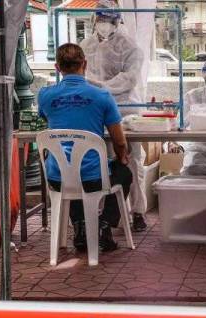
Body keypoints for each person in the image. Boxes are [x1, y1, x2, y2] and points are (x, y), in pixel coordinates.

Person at [38, 43, 133, 252]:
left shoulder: (45, 95)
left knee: (70, 168)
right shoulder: (102, 96)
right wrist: (122, 157)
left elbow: (47, 119)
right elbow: (119, 141)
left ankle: (80, 227)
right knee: (123, 173)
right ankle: (104, 227)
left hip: (56, 178)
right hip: (93, 178)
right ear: (85, 64)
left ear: (57, 67)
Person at [80, 0, 148, 233]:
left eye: (109, 21)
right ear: (94, 20)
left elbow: (129, 79)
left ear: (117, 21)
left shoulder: (129, 46)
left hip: (125, 109)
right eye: (101, 20)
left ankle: (137, 212)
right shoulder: (85, 45)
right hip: (96, 110)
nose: (104, 25)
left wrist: (102, 86)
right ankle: (106, 216)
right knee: (104, 162)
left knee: (131, 160)